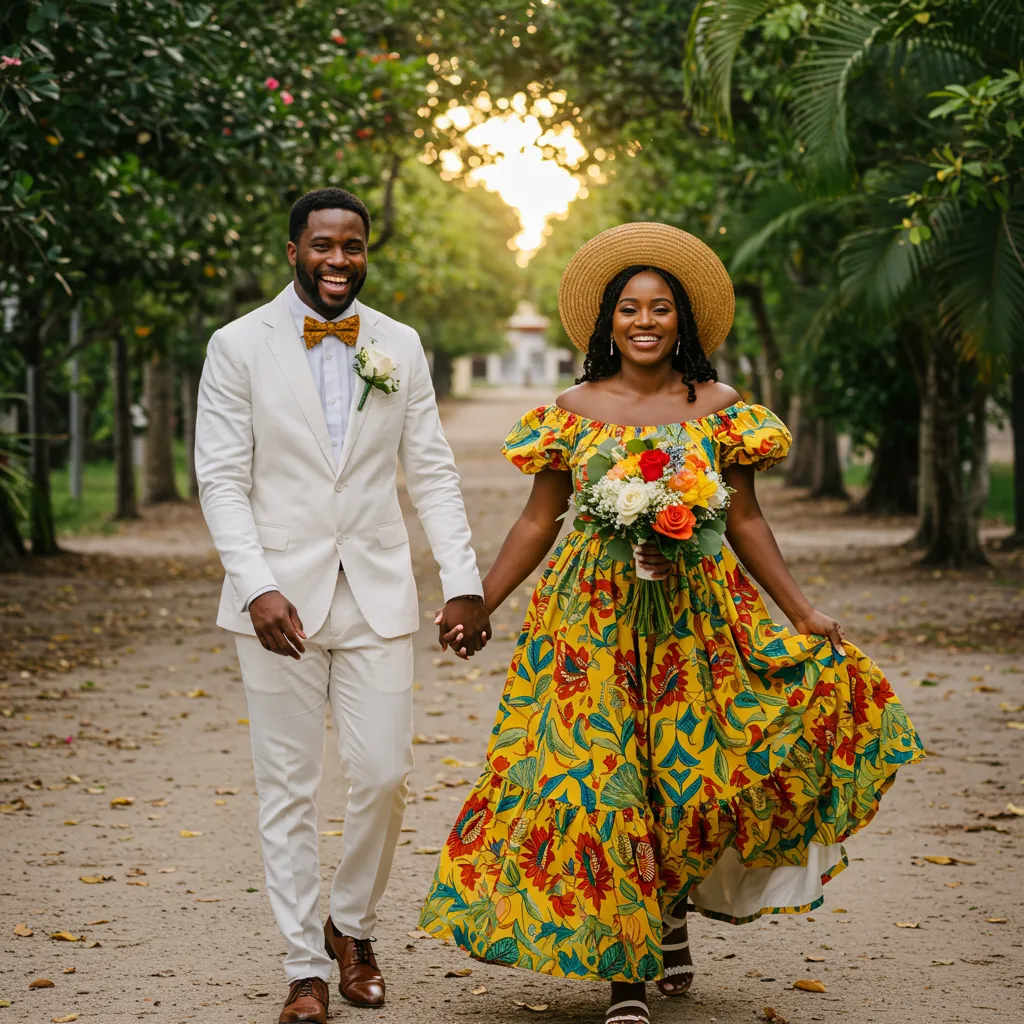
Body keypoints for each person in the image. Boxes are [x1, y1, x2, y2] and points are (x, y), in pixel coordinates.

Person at [420, 223, 924, 1024]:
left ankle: (671, 910)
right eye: (629, 309)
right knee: (602, 779)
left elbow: (748, 520)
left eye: (661, 308)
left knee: (687, 781)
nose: (645, 321)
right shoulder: (569, 412)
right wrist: (479, 599)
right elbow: (538, 521)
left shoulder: (721, 411)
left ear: (684, 322)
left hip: (698, 619)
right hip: (588, 626)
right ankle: (626, 973)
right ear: (606, 323)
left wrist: (802, 610)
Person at [195, 187, 490, 1024]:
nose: (338, 260)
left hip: (375, 590)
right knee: (287, 787)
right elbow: (220, 476)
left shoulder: (398, 344)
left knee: (385, 774)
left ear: (366, 252)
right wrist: (256, 585)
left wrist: (460, 579)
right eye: (322, 246)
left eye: (352, 247)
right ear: (293, 251)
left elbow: (429, 468)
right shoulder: (236, 345)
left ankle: (351, 924)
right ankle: (304, 971)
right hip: (276, 604)